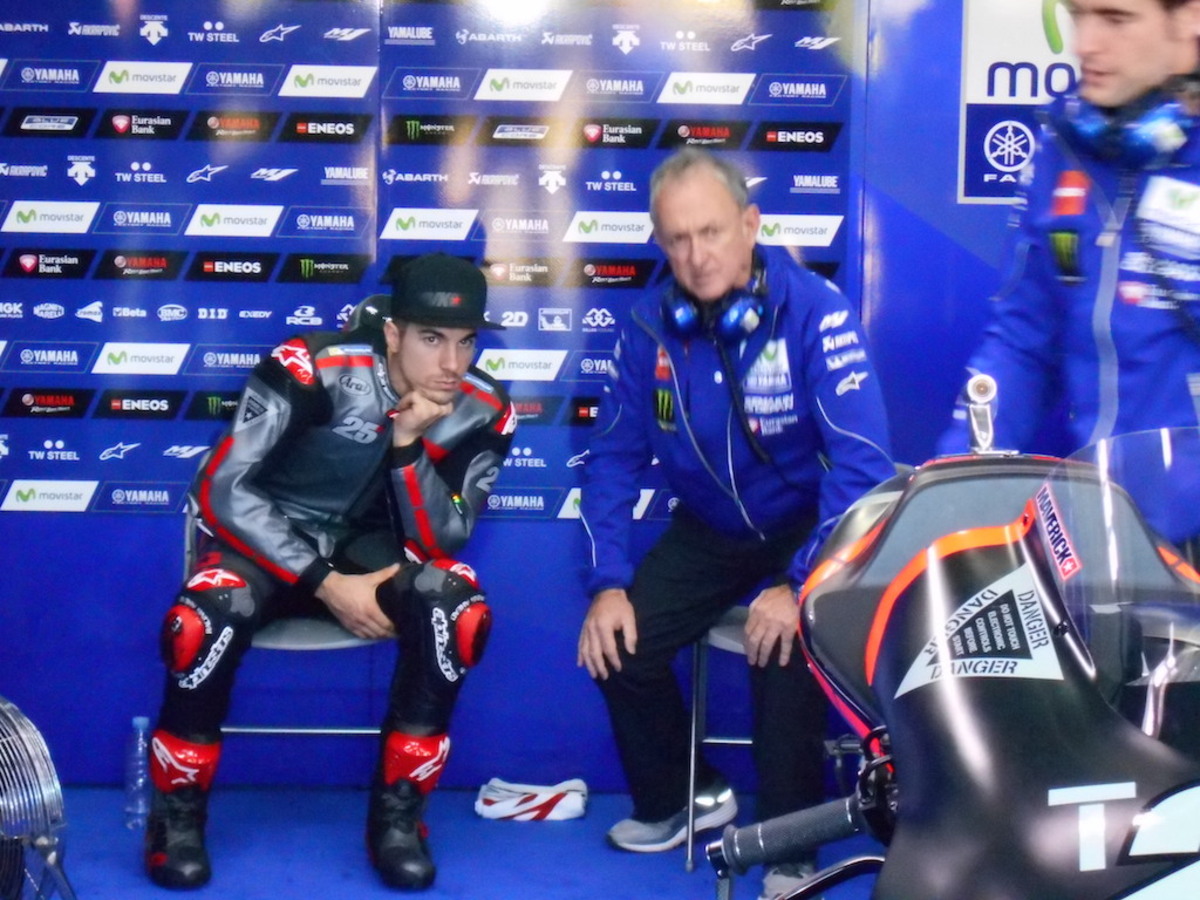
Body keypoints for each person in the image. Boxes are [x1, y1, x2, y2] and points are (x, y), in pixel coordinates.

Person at [576, 148, 894, 900]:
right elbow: (611, 459)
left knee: (783, 646)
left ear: (750, 225)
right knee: (619, 645)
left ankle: (790, 845)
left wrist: (802, 581)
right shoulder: (648, 327)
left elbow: (864, 463)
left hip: (807, 527)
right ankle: (686, 796)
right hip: (711, 529)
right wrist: (607, 582)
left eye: (712, 232)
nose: (696, 255)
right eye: (677, 239)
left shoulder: (814, 310)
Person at [144, 253, 515, 891]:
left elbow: (441, 539)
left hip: (374, 563)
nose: (452, 363)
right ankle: (176, 817)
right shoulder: (313, 365)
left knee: (456, 606)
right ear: (393, 333)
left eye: (466, 341)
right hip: (268, 553)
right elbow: (222, 487)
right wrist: (324, 581)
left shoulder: (486, 409)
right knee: (206, 613)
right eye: (431, 339)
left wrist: (407, 447)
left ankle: (398, 820)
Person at [939, 0, 1200, 455]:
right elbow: (1023, 342)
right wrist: (961, 470)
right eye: (1077, 16)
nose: (1084, 45)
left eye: (1116, 19)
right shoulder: (1064, 146)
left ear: (1190, 17)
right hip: (1103, 492)